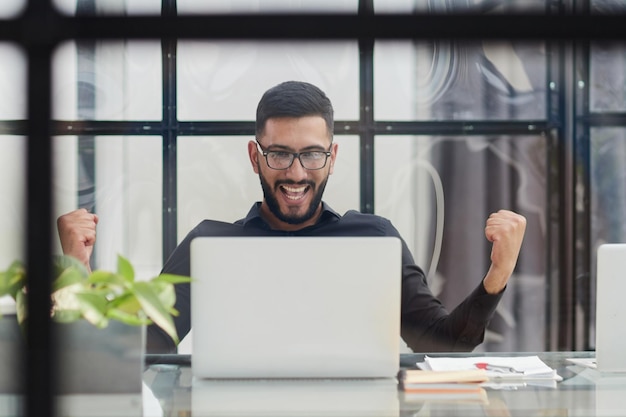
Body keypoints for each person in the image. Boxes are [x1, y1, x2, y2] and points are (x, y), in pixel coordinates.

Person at [57, 80, 526, 354]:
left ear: (333, 156)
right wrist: (77, 269)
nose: (296, 173)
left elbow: (443, 343)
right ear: (255, 156)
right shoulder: (209, 246)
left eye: (312, 155)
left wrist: (497, 274)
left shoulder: (374, 238)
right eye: (279, 154)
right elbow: (140, 351)